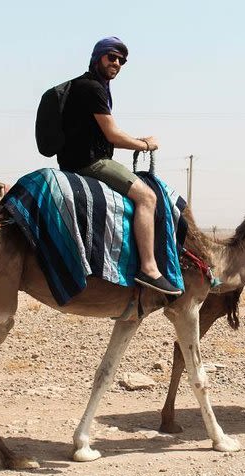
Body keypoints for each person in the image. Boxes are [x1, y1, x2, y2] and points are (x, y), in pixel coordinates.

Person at [58, 36, 182, 295]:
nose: (116, 63)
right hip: (91, 163)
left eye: (121, 60)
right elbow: (113, 135)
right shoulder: (92, 88)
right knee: (147, 198)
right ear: (98, 57)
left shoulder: (87, 86)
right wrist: (145, 144)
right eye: (111, 57)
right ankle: (149, 268)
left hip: (76, 161)